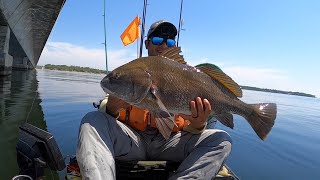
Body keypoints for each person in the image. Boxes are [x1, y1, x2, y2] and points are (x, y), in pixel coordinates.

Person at [76, 20, 232, 180]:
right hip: (134, 143)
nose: (163, 44)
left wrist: (199, 123)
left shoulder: (188, 76)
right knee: (92, 119)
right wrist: (111, 109)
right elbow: (105, 113)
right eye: (157, 39)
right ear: (147, 43)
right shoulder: (131, 72)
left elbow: (192, 130)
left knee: (221, 139)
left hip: (171, 144)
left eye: (170, 41)